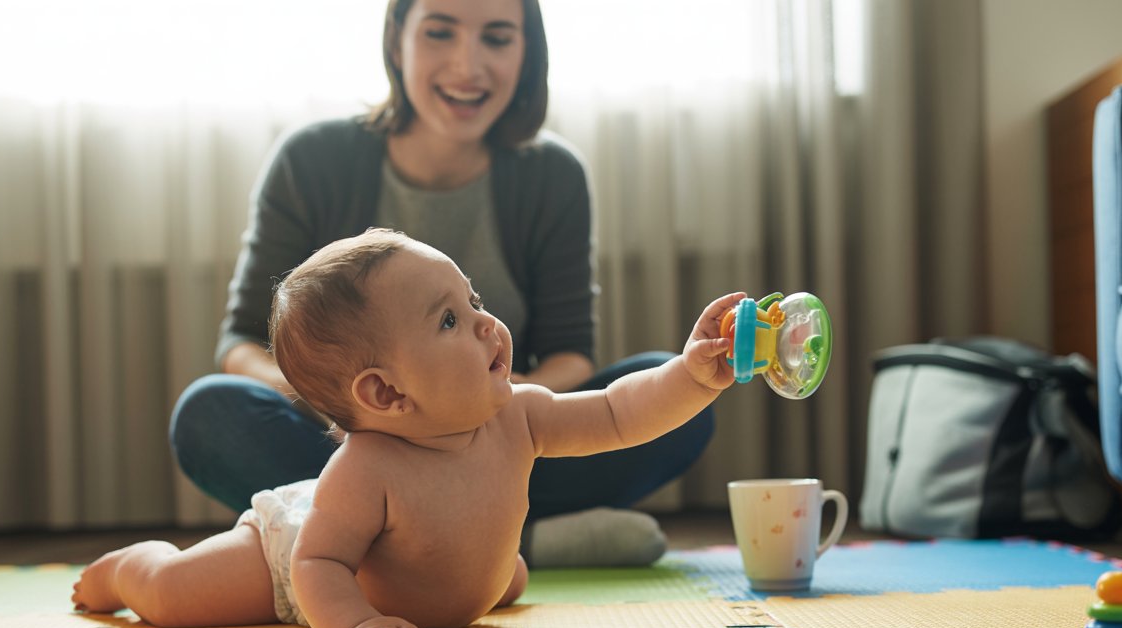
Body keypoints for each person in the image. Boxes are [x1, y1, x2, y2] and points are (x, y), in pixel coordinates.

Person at [168, 0, 715, 568]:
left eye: (497, 38)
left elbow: (571, 355)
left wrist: (476, 407)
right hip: (352, 448)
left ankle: (460, 538)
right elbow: (240, 345)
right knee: (210, 412)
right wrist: (359, 410)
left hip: (500, 442)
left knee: (675, 391)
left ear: (528, 52)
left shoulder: (553, 175)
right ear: (397, 37)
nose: (466, 65)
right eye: (440, 32)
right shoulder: (312, 160)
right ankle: (498, 543)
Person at [75, 230, 743, 628]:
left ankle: (478, 576)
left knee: (505, 577)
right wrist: (354, 625)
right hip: (293, 556)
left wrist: (688, 374)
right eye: (450, 320)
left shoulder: (519, 414)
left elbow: (619, 413)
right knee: (171, 597)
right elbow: (319, 563)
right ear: (387, 394)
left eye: (472, 298)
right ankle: (127, 566)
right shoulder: (364, 470)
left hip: (446, 584)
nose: (485, 322)